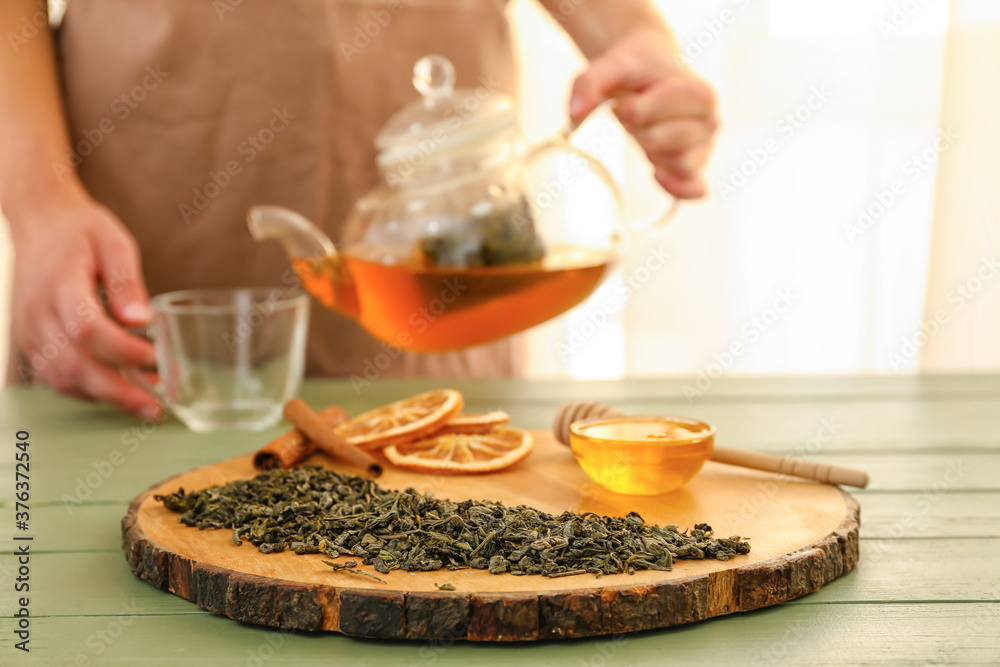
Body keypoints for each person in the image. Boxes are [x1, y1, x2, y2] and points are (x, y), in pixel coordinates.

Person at [0, 0, 718, 419]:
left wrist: (635, 37)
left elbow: (632, 41)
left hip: (446, 266)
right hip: (139, 231)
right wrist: (37, 202)